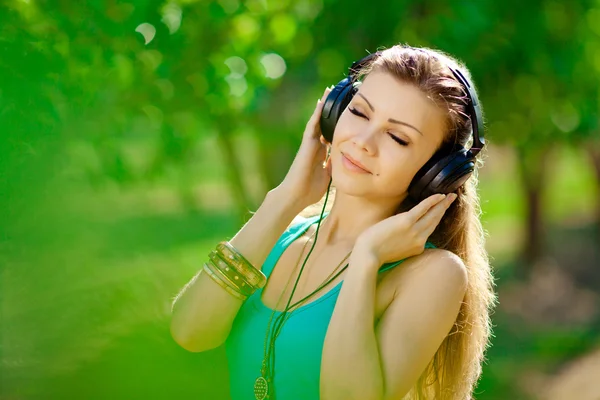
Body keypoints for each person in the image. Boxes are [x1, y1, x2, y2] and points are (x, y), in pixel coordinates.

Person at [170, 44, 496, 400]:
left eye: (398, 137)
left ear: (437, 174)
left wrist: (366, 260)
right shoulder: (284, 233)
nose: (363, 142)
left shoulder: (434, 274)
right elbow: (190, 332)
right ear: (332, 112)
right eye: (359, 112)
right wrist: (285, 200)